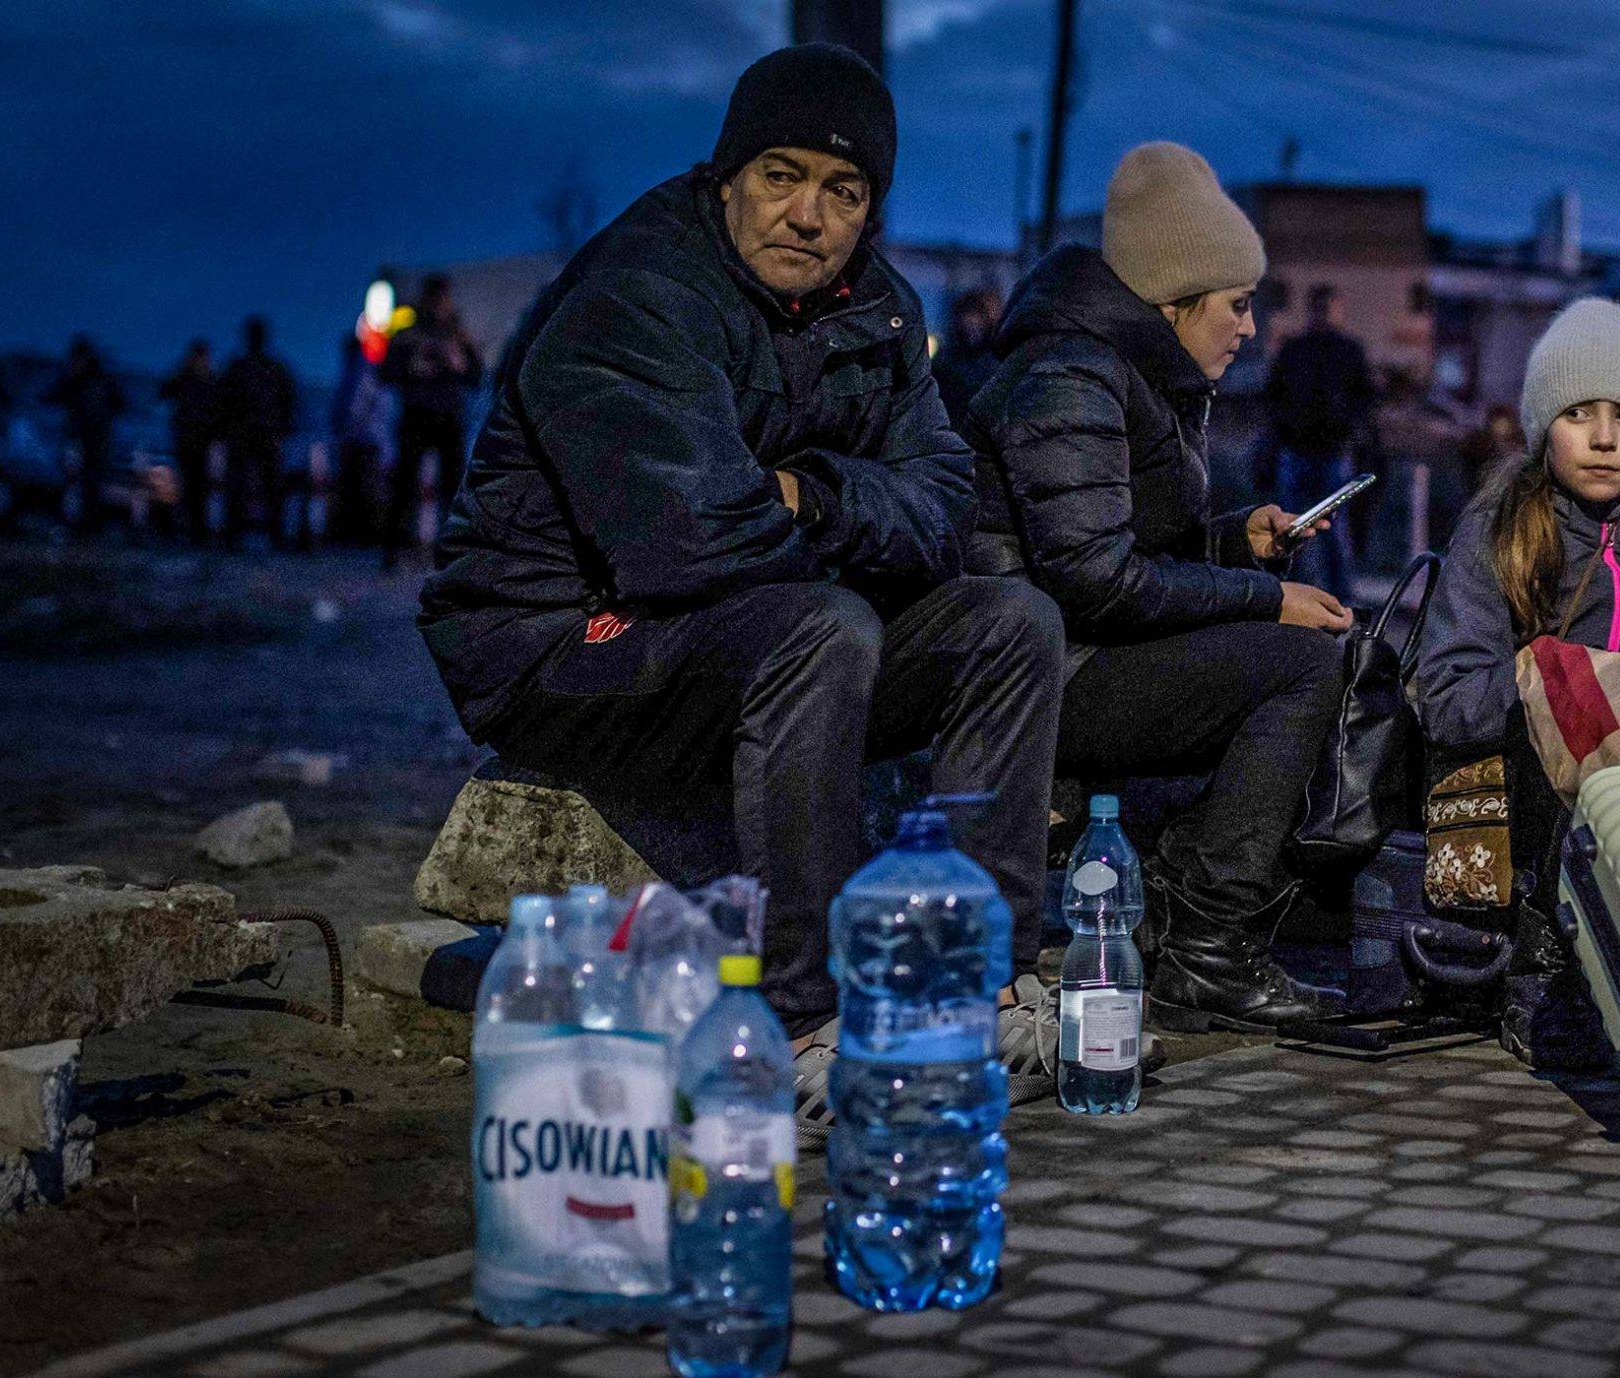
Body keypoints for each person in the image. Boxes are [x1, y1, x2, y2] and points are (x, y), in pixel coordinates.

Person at [416, 44, 1066, 1128]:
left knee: (1010, 621)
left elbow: (945, 512)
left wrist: (807, 497)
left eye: (843, 191)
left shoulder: (884, 315)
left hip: (743, 625)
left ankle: (979, 978)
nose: (807, 214)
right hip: (555, 645)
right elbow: (683, 541)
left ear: (870, 211)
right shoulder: (637, 293)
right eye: (781, 174)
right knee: (824, 627)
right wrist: (848, 518)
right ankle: (803, 1021)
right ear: (728, 178)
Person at [965, 141, 1349, 1033]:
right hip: (1040, 672)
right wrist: (1263, 598)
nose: (1250, 329)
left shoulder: (1129, 372)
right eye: (1238, 307)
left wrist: (1239, 543)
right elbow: (1095, 580)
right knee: (1300, 663)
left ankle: (1196, 907)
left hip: (1082, 649)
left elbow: (1121, 546)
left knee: (1312, 647)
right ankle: (1207, 946)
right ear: (1174, 301)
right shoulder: (1070, 373)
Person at [1412, 297, 1620, 1069]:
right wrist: (1555, 688)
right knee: (1577, 749)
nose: (1605, 437)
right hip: (1529, 791)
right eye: (1578, 412)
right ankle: (1540, 973)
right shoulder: (1499, 533)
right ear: (1540, 423)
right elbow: (1449, 695)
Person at [1265, 283, 1376, 595]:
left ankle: (1340, 599)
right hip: (1299, 449)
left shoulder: (1347, 351)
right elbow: (1274, 394)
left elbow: (1365, 399)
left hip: (1330, 451)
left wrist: (1348, 429)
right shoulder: (1297, 350)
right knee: (1294, 529)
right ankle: (1296, 594)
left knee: (1332, 533)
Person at [382, 275, 484, 566]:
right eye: (434, 298)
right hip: (416, 415)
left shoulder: (457, 335)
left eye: (442, 298)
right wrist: (412, 367)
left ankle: (452, 551)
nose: (439, 305)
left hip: (448, 416)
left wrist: (458, 363)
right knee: (405, 485)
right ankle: (393, 550)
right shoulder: (409, 334)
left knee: (452, 487)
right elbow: (386, 372)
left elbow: (476, 376)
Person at [215, 315, 298, 549]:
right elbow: (289, 401)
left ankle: (244, 535)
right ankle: (267, 535)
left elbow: (223, 401)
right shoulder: (272, 368)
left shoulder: (239, 367)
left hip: (251, 434)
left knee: (253, 486)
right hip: (258, 434)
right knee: (262, 486)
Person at [48, 336, 126, 535]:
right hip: (77, 438)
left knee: (93, 483)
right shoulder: (73, 379)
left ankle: (90, 524)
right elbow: (55, 396)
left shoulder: (101, 380)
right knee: (72, 481)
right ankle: (73, 522)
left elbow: (120, 403)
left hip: (97, 438)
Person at [327, 332, 394, 546]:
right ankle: (364, 533)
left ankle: (360, 533)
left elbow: (353, 409)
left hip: (360, 442)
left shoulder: (358, 374)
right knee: (363, 489)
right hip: (368, 440)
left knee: (357, 490)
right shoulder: (370, 372)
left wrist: (342, 428)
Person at [159, 339, 219, 543]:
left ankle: (197, 529)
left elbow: (221, 409)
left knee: (199, 485)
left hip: (202, 440)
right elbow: (163, 391)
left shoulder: (211, 380)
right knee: (187, 484)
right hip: (186, 440)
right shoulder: (184, 378)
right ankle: (186, 527)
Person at [931, 285, 1005, 424]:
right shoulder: (944, 361)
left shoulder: (998, 358)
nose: (972, 322)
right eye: (967, 316)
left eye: (977, 316)